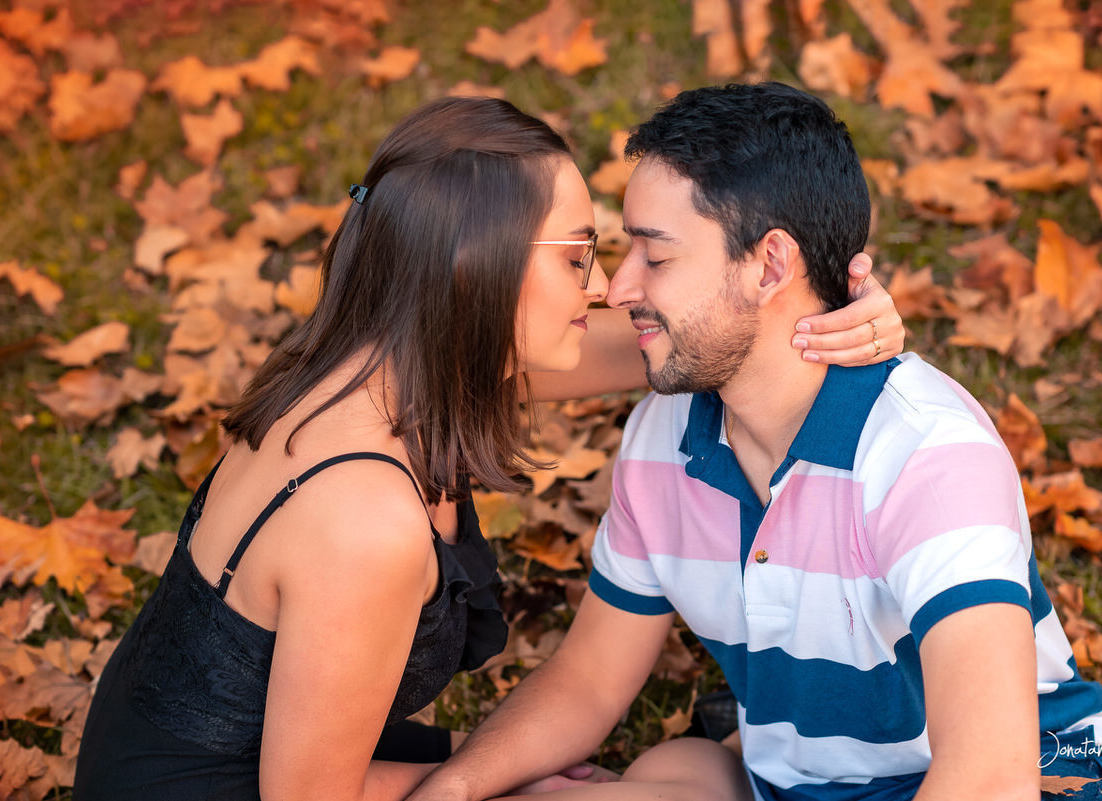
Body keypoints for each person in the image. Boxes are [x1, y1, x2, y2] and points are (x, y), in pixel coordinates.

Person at [73, 95, 902, 801]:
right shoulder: (364, 516)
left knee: (670, 780)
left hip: (233, 754)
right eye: (577, 255)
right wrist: (495, 786)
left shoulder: (377, 370)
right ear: (476, 266)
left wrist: (819, 314)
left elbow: (688, 338)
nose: (603, 287)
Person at [406, 84, 1102, 801]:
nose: (617, 289)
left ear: (771, 266)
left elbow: (991, 776)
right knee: (670, 768)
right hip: (791, 783)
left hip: (1035, 775)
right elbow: (588, 679)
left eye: (656, 257)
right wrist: (457, 787)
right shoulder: (663, 438)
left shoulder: (926, 455)